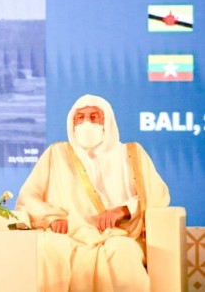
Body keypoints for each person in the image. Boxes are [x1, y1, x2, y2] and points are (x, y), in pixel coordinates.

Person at [15, 94, 170, 292]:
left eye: (94, 116)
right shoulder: (57, 153)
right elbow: (28, 196)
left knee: (122, 252)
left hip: (118, 234)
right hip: (68, 231)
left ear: (108, 121)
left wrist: (122, 210)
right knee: (47, 249)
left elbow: (158, 195)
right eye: (80, 117)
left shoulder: (132, 153)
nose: (86, 122)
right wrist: (52, 218)